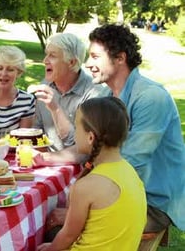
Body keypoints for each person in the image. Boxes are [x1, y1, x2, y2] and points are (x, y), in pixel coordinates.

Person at [43, 24, 185, 239]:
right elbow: (90, 146)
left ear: (120, 58)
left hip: (154, 203)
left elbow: (130, 161)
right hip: (123, 190)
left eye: (95, 57)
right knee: (49, 217)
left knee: (57, 232)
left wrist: (76, 212)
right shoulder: (108, 96)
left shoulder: (151, 97)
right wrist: (47, 159)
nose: (88, 64)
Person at [37, 97, 147, 251]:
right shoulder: (129, 171)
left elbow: (69, 235)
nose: (75, 134)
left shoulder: (86, 186)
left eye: (76, 127)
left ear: (90, 137)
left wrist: (50, 248)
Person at [29, 33, 108, 151]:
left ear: (71, 62)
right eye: (46, 55)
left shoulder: (94, 95)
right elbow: (37, 133)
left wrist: (55, 109)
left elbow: (84, 148)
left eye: (52, 56)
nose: (45, 60)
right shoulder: (45, 85)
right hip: (48, 164)